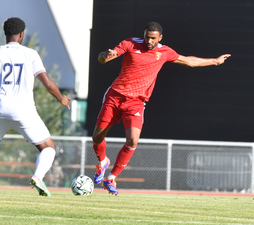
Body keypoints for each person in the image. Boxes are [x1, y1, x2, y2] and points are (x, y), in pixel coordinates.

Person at [93, 22, 231, 195]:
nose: (148, 41)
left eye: (152, 38)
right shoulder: (130, 43)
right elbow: (102, 59)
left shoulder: (164, 52)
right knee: (97, 138)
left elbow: (188, 61)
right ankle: (102, 161)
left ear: (160, 38)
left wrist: (215, 61)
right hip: (115, 96)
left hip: (136, 101)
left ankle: (111, 177)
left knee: (133, 140)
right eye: (146, 37)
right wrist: (105, 55)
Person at [0, 17, 71, 197]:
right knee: (48, 148)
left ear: (5, 33)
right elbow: (47, 83)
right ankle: (38, 177)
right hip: (23, 112)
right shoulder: (30, 54)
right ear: (22, 34)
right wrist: (61, 98)